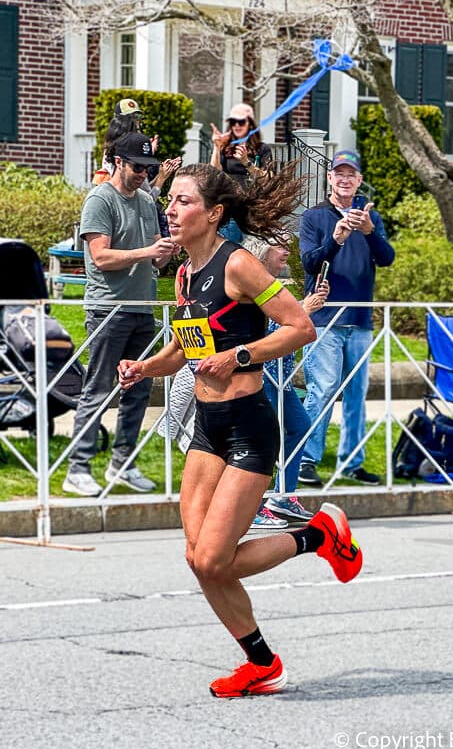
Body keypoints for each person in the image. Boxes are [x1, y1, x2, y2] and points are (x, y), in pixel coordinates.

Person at [117, 161, 362, 698]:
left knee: (212, 557)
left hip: (249, 428)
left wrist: (240, 355)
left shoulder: (240, 266)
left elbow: (301, 327)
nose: (171, 210)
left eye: (182, 201)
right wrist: (144, 367)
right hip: (208, 426)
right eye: (171, 201)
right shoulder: (184, 272)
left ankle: (317, 535)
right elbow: (185, 348)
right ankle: (261, 663)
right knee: (198, 557)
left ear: (214, 213)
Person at [62, 133, 177, 497]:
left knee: (139, 389)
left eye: (148, 167)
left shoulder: (146, 200)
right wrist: (147, 252)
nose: (144, 173)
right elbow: (101, 257)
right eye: (137, 166)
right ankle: (77, 468)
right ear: (118, 162)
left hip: (142, 308)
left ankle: (123, 462)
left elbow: (157, 258)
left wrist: (169, 249)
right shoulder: (100, 199)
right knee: (98, 390)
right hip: (108, 308)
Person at [297, 149, 395, 486]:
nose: (344, 179)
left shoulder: (371, 217)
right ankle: (306, 460)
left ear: (359, 180)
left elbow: (387, 259)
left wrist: (369, 231)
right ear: (330, 178)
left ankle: (352, 461)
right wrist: (336, 238)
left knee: (357, 393)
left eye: (350, 174)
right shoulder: (313, 217)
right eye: (339, 173)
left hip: (361, 318)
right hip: (323, 317)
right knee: (321, 390)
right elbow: (310, 263)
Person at [243, 237, 330, 530]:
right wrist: (303, 309)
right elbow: (262, 332)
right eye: (279, 245)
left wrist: (306, 308)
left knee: (299, 427)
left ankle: (283, 496)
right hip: (262, 374)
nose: (286, 251)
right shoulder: (252, 285)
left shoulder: (275, 287)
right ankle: (249, 508)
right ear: (262, 251)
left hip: (282, 377)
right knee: (261, 440)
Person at [210, 103, 274, 244]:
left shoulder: (262, 149)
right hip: (230, 209)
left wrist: (247, 163)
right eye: (233, 122)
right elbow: (214, 173)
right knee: (228, 253)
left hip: (253, 211)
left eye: (241, 122)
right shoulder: (225, 147)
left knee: (253, 254)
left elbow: (267, 180)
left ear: (250, 124)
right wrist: (217, 146)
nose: (237, 126)